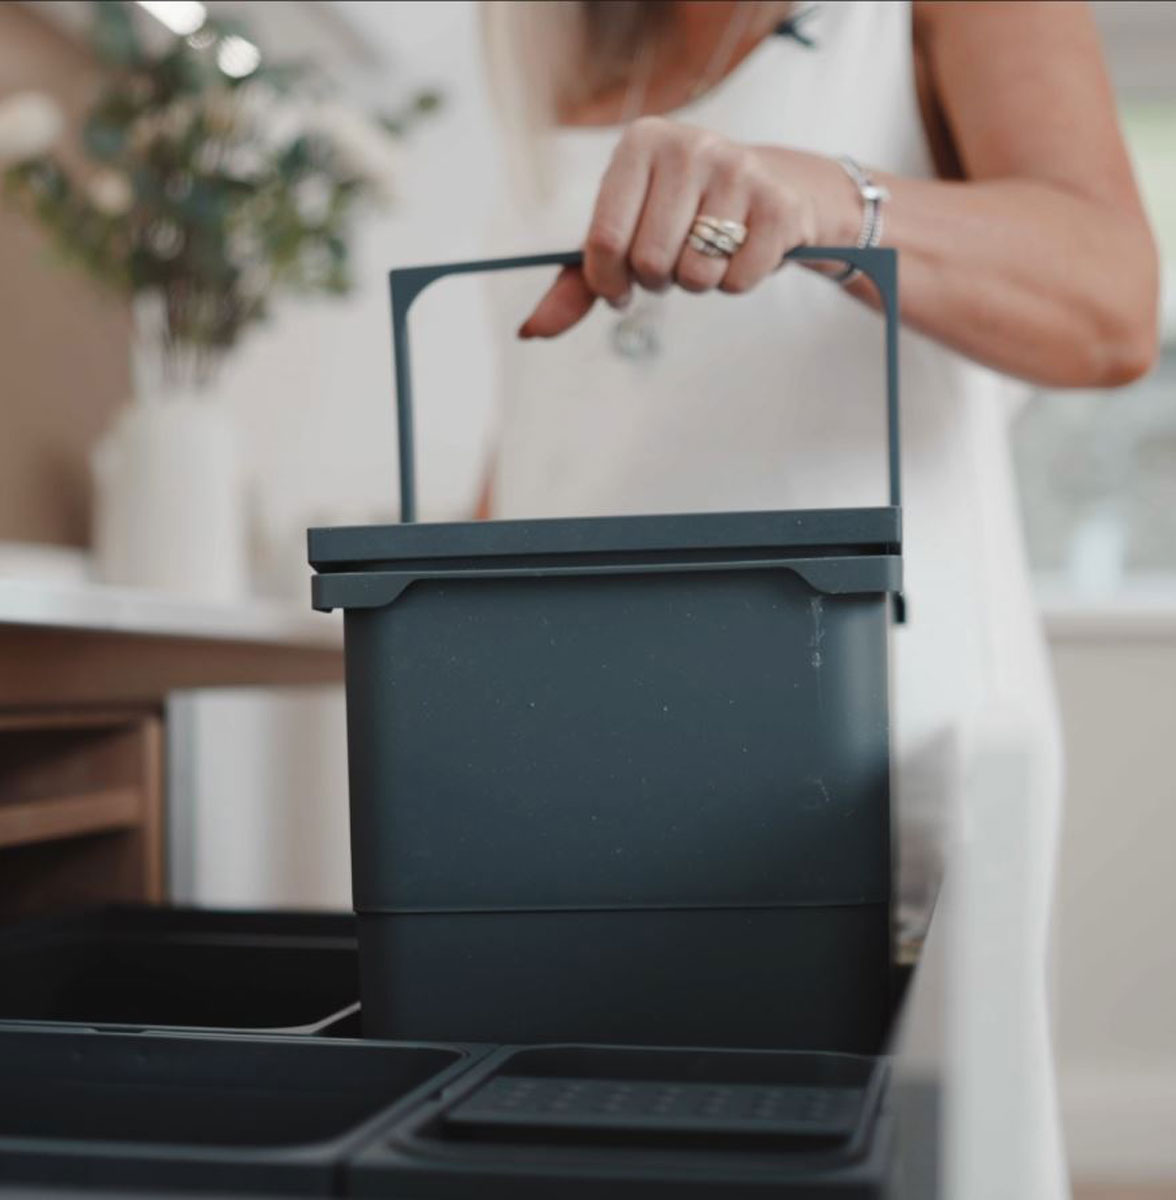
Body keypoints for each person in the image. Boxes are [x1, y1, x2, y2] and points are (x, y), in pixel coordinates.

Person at [475, 3, 1158, 1196]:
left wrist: (838, 200)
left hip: (859, 736)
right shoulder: (554, 37)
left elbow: (1112, 303)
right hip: (571, 756)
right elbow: (561, 413)